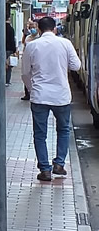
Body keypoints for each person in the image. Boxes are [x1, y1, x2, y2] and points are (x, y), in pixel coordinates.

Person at [21, 15, 82, 182]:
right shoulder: (65, 43)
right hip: (61, 96)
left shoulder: (32, 46)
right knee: (63, 130)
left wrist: (32, 89)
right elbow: (76, 66)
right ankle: (59, 164)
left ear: (39, 29)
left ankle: (45, 169)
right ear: (54, 28)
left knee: (40, 134)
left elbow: (25, 73)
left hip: (40, 96)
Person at [4, 19, 17, 85]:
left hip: (1, 49)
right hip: (9, 50)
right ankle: (7, 81)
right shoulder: (11, 29)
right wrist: (14, 50)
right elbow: (12, 40)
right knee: (9, 66)